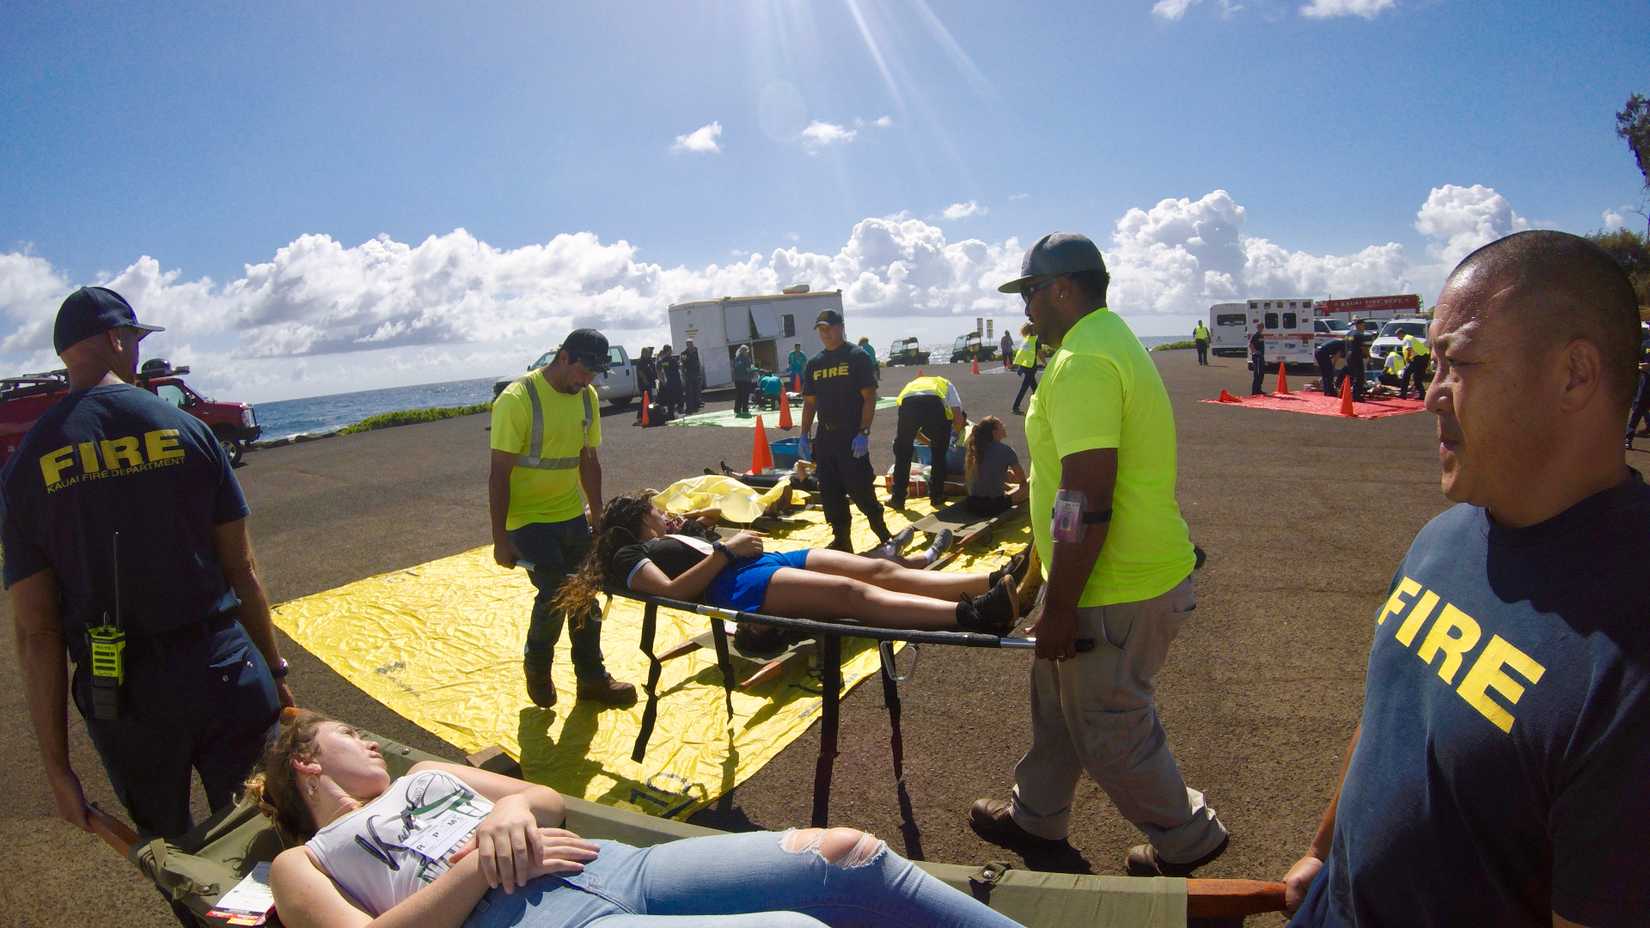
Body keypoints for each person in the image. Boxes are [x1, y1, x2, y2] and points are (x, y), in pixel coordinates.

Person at [1282, 231, 1650, 928]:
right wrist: (1322, 849)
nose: (1430, 398)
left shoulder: (1631, 651)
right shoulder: (1445, 537)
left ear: (1574, 374)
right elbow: (1395, 706)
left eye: (1459, 363)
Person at [253, 711, 1026, 928]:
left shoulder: (421, 774)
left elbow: (545, 804)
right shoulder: (305, 863)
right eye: (345, 737)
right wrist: (475, 869)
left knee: (846, 856)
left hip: (614, 864)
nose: (365, 740)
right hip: (521, 921)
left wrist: (506, 813)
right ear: (306, 764)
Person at [973, 232, 1229, 878]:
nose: (1026, 308)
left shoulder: (1082, 361)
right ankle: (1037, 815)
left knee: (1110, 728)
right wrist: (1036, 581)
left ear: (1064, 288)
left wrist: (1061, 606)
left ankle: (1188, 838)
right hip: (1104, 576)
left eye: (1031, 292)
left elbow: (1082, 498)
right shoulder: (1110, 340)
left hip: (1113, 587)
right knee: (1058, 703)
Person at [3, 287, 292, 846]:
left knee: (172, 851)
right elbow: (243, 570)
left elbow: (36, 631)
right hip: (223, 667)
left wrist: (59, 769)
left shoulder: (25, 468)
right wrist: (276, 673)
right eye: (133, 339)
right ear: (115, 340)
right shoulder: (188, 430)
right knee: (264, 831)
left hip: (122, 691)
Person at [556, 491, 1030, 637]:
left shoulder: (671, 532)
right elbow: (670, 592)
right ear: (638, 519)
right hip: (734, 582)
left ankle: (996, 579)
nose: (665, 512)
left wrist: (699, 528)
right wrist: (724, 551)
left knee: (874, 569)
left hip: (756, 561)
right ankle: (972, 614)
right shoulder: (627, 553)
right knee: (851, 597)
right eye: (657, 511)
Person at [489, 329, 634, 709]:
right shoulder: (518, 400)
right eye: (584, 370)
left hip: (569, 513)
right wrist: (500, 539)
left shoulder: (586, 399)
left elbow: (589, 460)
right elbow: (499, 473)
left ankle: (591, 678)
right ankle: (537, 665)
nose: (588, 381)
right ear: (564, 357)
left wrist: (598, 513)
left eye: (594, 374)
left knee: (586, 593)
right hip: (527, 520)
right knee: (555, 593)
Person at [799, 310, 896, 553]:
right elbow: (809, 402)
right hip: (825, 437)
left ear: (841, 327)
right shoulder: (814, 363)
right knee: (830, 492)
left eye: (829, 328)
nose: (825, 333)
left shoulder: (857, 357)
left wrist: (864, 432)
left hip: (851, 436)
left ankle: (884, 535)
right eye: (821, 329)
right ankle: (842, 541)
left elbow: (869, 397)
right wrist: (804, 434)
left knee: (861, 488)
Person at [889, 373, 965, 511]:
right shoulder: (947, 384)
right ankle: (936, 496)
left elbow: (913, 432)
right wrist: (951, 438)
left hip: (908, 405)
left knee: (903, 453)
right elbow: (959, 419)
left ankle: (897, 499)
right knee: (939, 455)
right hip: (934, 405)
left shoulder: (912, 385)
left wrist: (929, 442)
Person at [962, 416, 1028, 518]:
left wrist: (1006, 475)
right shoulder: (1006, 451)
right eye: (1001, 426)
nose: (1004, 427)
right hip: (993, 506)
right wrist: (1010, 477)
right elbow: (1022, 481)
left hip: (972, 503)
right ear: (994, 432)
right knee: (1030, 485)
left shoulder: (976, 449)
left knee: (1000, 476)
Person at [1011, 323, 1040, 415]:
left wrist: (1020, 367)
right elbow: (1040, 353)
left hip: (1026, 366)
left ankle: (1040, 406)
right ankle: (1015, 407)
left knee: (1035, 389)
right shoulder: (1035, 340)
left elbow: (1022, 353)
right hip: (1030, 367)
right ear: (1033, 330)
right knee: (1025, 388)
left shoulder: (1026, 340)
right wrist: (1045, 363)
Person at [1628, 333, 1650, 449]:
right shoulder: (1645, 344)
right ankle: (1628, 438)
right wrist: (1641, 366)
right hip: (1646, 381)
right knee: (1638, 407)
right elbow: (1637, 362)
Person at [1398, 330, 1430, 400]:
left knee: (1406, 374)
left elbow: (1409, 349)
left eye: (1398, 335)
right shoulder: (1411, 337)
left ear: (1401, 333)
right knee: (1417, 378)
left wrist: (1408, 358)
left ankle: (1403, 394)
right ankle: (1422, 394)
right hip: (1424, 358)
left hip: (1418, 358)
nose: (1398, 338)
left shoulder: (1406, 338)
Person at [1344, 319, 1369, 402]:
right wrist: (1369, 356)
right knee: (1359, 377)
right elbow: (1364, 348)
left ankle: (1349, 394)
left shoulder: (1348, 334)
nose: (1364, 327)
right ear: (1358, 325)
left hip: (1349, 356)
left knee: (1352, 376)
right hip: (1356, 356)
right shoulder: (1359, 335)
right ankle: (1357, 396)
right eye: (1363, 325)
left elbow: (1345, 345)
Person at [657, 344, 683, 419]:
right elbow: (679, 366)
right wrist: (681, 362)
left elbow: (658, 372)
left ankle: (671, 415)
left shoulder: (662, 361)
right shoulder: (672, 360)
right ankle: (678, 413)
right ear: (668, 351)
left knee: (670, 401)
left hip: (669, 383)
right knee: (678, 399)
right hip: (675, 382)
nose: (671, 351)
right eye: (670, 350)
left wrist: (662, 382)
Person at [634, 346, 657, 425]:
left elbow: (653, 370)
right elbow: (641, 373)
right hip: (644, 385)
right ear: (643, 353)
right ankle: (639, 417)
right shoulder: (641, 362)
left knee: (650, 400)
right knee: (644, 400)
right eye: (647, 352)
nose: (649, 353)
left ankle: (649, 415)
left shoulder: (649, 360)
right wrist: (645, 381)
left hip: (650, 383)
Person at [732, 343, 755, 418]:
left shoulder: (736, 358)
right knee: (745, 395)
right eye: (747, 351)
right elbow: (748, 369)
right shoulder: (746, 359)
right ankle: (745, 410)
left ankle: (737, 410)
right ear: (744, 351)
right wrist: (753, 370)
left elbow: (734, 369)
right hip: (745, 379)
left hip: (737, 380)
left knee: (738, 395)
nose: (747, 353)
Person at [682, 339, 703, 412]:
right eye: (689, 344)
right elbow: (683, 365)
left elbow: (697, 362)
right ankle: (690, 406)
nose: (691, 345)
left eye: (692, 344)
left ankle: (697, 404)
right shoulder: (684, 353)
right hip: (688, 374)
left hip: (696, 373)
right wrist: (684, 375)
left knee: (697, 390)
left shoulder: (695, 351)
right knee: (689, 391)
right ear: (687, 345)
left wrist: (699, 372)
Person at [1248, 321, 1267, 395]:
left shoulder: (1261, 335)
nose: (1261, 328)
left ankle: (1259, 389)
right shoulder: (1256, 335)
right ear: (1257, 328)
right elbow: (1251, 345)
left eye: (1262, 327)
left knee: (1261, 374)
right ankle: (1254, 391)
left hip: (1261, 357)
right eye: (1260, 327)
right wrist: (1255, 352)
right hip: (1257, 358)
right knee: (1257, 374)